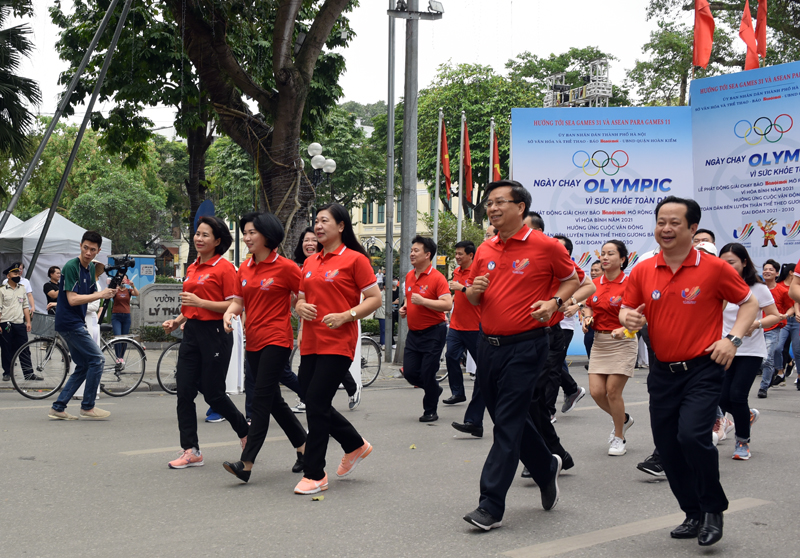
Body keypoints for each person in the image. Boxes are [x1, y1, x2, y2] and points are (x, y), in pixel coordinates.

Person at [620, 196, 758, 547]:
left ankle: (713, 509)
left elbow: (749, 303)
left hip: (703, 368)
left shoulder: (713, 268)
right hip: (662, 373)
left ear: (692, 228)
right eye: (660, 221)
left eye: (674, 223)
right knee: (667, 448)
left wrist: (733, 339)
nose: (665, 229)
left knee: (692, 437)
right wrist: (628, 317)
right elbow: (626, 306)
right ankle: (692, 512)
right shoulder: (643, 269)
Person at [462, 179, 579, 531]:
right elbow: (472, 298)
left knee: (508, 424)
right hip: (488, 346)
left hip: (527, 345)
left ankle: (490, 505)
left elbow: (573, 279)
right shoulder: (484, 249)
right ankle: (546, 466)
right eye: (489, 203)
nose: (493, 208)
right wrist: (473, 290)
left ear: (520, 207)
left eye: (500, 202)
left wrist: (555, 302)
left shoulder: (546, 246)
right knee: (504, 419)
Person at [293, 203, 381, 495]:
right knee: (311, 398)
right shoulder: (310, 262)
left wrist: (347, 315)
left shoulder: (355, 259)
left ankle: (315, 473)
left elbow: (374, 299)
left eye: (324, 221)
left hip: (339, 342)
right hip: (311, 342)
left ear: (341, 226)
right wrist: (300, 307)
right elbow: (300, 301)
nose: (317, 226)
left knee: (316, 403)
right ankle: (354, 444)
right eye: (316, 221)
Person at [221, 212, 308, 483]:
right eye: (245, 233)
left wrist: (301, 309)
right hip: (254, 341)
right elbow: (238, 302)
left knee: (259, 399)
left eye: (251, 233)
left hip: (278, 340)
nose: (246, 238)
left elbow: (302, 298)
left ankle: (246, 463)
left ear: (267, 236)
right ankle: (305, 447)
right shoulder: (244, 269)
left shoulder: (287, 268)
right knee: (274, 402)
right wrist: (229, 313)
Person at [162, 216, 250, 470]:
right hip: (192, 332)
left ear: (217, 241)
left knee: (213, 393)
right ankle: (191, 450)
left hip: (216, 332)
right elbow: (190, 303)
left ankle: (245, 431)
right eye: (197, 234)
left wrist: (202, 304)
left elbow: (234, 305)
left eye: (205, 235)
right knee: (184, 390)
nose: (199, 239)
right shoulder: (192, 267)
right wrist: (177, 321)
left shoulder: (224, 268)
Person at [718, 243, 779, 460]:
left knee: (737, 395)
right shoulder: (717, 286)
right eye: (722, 262)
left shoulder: (757, 288)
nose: (727, 266)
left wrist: (757, 324)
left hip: (750, 350)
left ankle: (742, 441)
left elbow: (775, 315)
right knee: (722, 398)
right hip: (724, 348)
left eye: (732, 262)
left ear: (744, 263)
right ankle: (747, 416)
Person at [48, 231, 116, 420]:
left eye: (92, 249)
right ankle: (87, 407)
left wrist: (110, 291)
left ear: (98, 251)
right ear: (80, 245)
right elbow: (72, 299)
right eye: (85, 247)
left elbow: (94, 298)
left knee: (84, 365)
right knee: (98, 360)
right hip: (69, 323)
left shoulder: (89, 270)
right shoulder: (72, 266)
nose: (88, 252)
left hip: (74, 322)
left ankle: (58, 407)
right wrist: (101, 295)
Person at [584, 240, 636, 456]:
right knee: (596, 392)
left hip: (623, 342)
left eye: (611, 254)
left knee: (613, 392)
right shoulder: (594, 283)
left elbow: (639, 314)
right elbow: (588, 304)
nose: (605, 258)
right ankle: (623, 419)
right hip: (600, 342)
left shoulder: (631, 283)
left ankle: (619, 436)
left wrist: (623, 330)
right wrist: (587, 318)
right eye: (603, 254)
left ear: (622, 259)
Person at [400, 235, 452, 421]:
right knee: (411, 373)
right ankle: (434, 389)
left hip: (434, 332)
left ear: (427, 255)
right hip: (414, 333)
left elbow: (447, 304)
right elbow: (409, 296)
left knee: (427, 372)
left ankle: (430, 410)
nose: (412, 254)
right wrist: (406, 306)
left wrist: (423, 301)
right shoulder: (409, 275)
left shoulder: (438, 278)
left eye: (416, 251)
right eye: (411, 250)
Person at [443, 240, 479, 405]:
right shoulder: (457, 271)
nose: (457, 257)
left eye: (460, 254)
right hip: (457, 325)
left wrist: (462, 288)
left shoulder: (478, 273)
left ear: (470, 255)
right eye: (456, 253)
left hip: (475, 326)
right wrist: (451, 300)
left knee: (484, 364)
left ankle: (492, 392)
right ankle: (458, 393)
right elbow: (459, 295)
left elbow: (478, 297)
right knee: (451, 356)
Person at [0, 264, 34, 382]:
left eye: (18, 274)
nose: (18, 276)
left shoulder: (22, 288)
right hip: (6, 323)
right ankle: (7, 372)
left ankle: (28, 373)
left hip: (19, 323)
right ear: (8, 276)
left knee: (24, 348)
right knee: (6, 349)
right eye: (15, 274)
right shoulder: (2, 290)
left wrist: (28, 322)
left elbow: (25, 306)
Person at [772, 263, 799, 389]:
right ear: (791, 273)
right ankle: (780, 372)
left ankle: (799, 376)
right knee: (777, 347)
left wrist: (797, 313)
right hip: (783, 321)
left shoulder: (797, 287)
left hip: (796, 321)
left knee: (797, 350)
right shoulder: (780, 286)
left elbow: (795, 303)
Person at [111, 276, 138, 361]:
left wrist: (133, 286)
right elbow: (109, 295)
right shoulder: (116, 290)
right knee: (118, 337)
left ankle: (121, 357)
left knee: (125, 338)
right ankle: (117, 357)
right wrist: (115, 287)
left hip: (126, 316)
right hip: (116, 316)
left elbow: (137, 294)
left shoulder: (129, 291)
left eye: (124, 278)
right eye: (121, 278)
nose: (123, 280)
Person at [581, 261, 602, 361]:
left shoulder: (604, 286)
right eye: (592, 270)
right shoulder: (588, 285)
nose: (593, 273)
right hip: (591, 325)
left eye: (596, 270)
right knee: (588, 342)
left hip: (604, 327)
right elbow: (585, 303)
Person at [376, 282, 386, 348]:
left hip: (387, 314)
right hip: (381, 314)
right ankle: (382, 344)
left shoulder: (390, 294)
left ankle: (384, 343)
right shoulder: (380, 294)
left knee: (386, 330)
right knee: (383, 330)